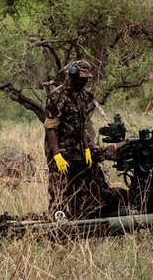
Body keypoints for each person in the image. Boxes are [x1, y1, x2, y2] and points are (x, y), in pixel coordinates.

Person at [44, 60, 127, 220]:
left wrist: (87, 148)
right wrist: (57, 156)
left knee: (80, 195)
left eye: (87, 78)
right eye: (82, 77)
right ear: (73, 74)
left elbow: (81, 125)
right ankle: (55, 228)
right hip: (61, 153)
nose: (85, 81)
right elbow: (51, 127)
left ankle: (78, 223)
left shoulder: (81, 96)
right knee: (58, 195)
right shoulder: (56, 96)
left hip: (78, 153)